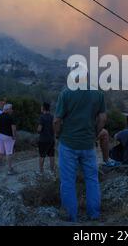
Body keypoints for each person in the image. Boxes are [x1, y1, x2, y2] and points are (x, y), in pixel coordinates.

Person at [54, 84, 107, 222]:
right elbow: (102, 118)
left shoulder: (65, 94)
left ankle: (71, 216)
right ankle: (94, 214)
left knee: (68, 181)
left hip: (68, 144)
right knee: (92, 179)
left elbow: (57, 120)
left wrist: (58, 134)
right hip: (88, 145)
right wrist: (94, 134)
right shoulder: (98, 94)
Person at [0, 103, 17, 175]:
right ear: (7, 110)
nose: (12, 110)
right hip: (8, 137)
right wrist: (14, 136)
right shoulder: (11, 118)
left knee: (1, 152)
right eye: (11, 109)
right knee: (9, 153)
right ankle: (10, 170)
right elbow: (13, 128)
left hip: (0, 136)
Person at [37, 102, 55, 176]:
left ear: (43, 108)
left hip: (43, 139)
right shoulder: (52, 116)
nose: (41, 108)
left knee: (42, 156)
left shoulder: (42, 117)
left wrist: (38, 130)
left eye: (41, 107)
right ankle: (52, 171)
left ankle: (41, 171)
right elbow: (54, 128)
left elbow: (39, 129)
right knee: (51, 156)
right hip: (51, 139)